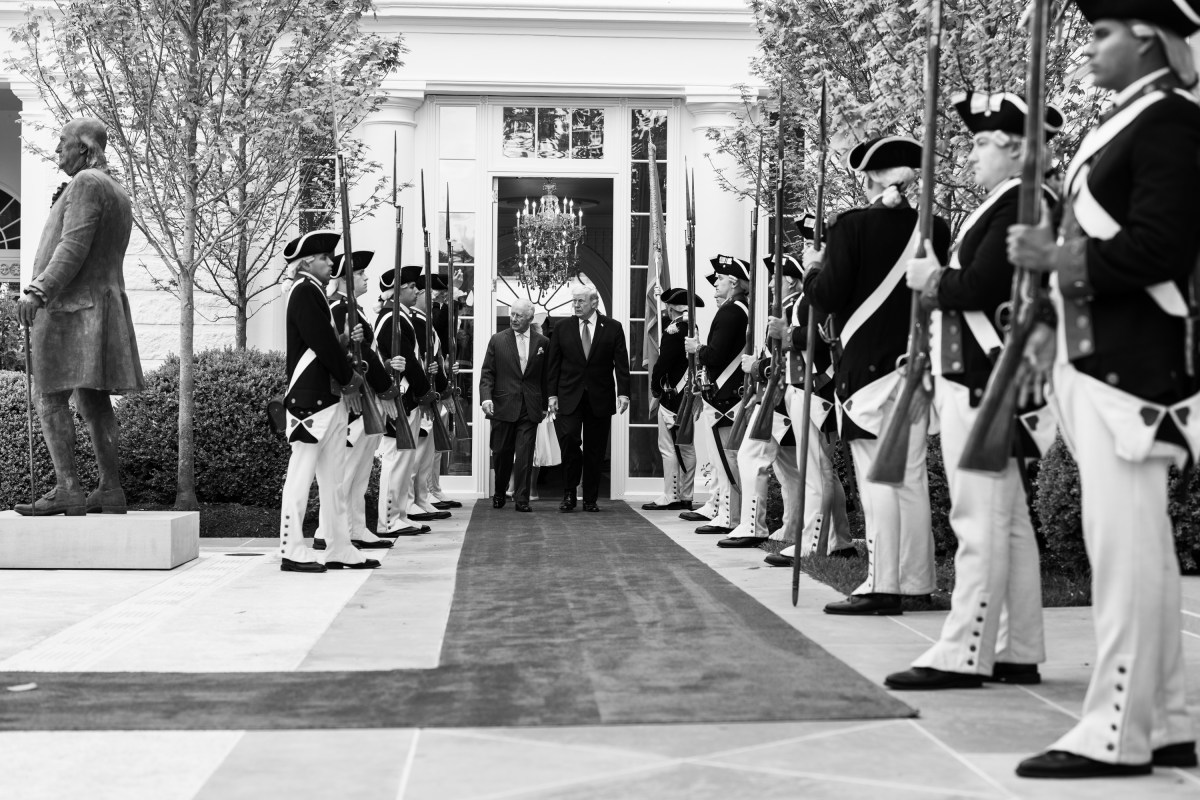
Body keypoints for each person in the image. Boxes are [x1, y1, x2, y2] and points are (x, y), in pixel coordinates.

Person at [1007, 0, 1200, 778]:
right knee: (1143, 557)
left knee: (1123, 559)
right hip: (1101, 360)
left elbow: (1160, 248)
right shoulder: (1127, 124)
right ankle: (1169, 718)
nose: (1088, 48)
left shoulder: (1171, 126)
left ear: (1148, 39)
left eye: (1101, 34)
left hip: (1135, 369)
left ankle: (1114, 729)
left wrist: (1053, 261)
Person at [884, 92, 1063, 692]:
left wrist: (933, 280)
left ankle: (964, 651)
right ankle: (1017, 647)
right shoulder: (1009, 200)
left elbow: (987, 286)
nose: (972, 153)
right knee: (1006, 521)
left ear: (1015, 150)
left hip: (986, 382)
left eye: (983, 142)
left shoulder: (1022, 200)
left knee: (980, 519)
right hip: (978, 373)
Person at [803, 136, 951, 615]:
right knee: (909, 480)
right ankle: (916, 581)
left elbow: (827, 296)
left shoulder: (851, 227)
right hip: (913, 368)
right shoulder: (936, 228)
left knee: (878, 480)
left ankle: (883, 582)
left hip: (867, 377)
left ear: (867, 177)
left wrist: (811, 272)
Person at [15, 117, 143, 517]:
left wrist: (39, 289)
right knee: (93, 400)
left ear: (85, 149)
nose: (56, 151)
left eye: (62, 143)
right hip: (100, 308)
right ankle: (110, 489)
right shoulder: (117, 191)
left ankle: (68, 488)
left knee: (49, 395)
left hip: (71, 309)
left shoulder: (87, 184)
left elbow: (73, 245)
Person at [725, 254, 854, 557]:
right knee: (817, 469)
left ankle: (809, 540)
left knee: (810, 469)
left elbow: (811, 347)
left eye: (776, 278)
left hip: (805, 392)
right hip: (795, 393)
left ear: (793, 281)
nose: (770, 284)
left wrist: (760, 365)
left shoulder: (802, 303)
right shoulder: (795, 304)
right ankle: (839, 541)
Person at [276, 230, 379, 573]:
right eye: (324, 258)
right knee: (301, 474)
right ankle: (292, 547)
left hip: (327, 397)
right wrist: (350, 378)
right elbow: (319, 343)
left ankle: (339, 546)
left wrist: (348, 341)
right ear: (306, 262)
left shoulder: (315, 292)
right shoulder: (305, 291)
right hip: (311, 399)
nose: (331, 263)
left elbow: (327, 343)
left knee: (334, 480)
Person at [314, 249, 401, 552]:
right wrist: (387, 388)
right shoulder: (339, 308)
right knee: (346, 471)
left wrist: (387, 376)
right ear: (344, 279)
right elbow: (351, 357)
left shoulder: (354, 307)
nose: (365, 278)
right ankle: (328, 531)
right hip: (355, 398)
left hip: (367, 394)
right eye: (360, 274)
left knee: (360, 470)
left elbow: (371, 355)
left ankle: (356, 527)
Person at [547, 284, 631, 512]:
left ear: (594, 303)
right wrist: (552, 394)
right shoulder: (562, 327)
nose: (575, 305)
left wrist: (623, 392)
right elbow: (553, 364)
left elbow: (621, 363)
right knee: (570, 442)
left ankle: (591, 498)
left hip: (600, 396)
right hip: (568, 396)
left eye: (580, 301)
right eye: (574, 301)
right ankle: (569, 494)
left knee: (595, 449)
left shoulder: (613, 328)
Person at [683, 256, 749, 535]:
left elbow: (716, 356)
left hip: (725, 396)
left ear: (733, 282)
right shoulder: (738, 309)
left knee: (727, 458)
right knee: (723, 457)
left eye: (720, 279)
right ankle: (724, 510)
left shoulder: (731, 311)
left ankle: (730, 517)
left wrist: (697, 348)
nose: (715, 284)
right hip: (726, 394)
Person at [374, 266, 434, 538]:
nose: (416, 291)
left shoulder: (399, 317)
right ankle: (388, 519)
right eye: (410, 287)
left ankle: (398, 515)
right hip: (400, 396)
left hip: (406, 396)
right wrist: (424, 392)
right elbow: (406, 359)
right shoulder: (391, 318)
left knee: (404, 459)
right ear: (397, 290)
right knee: (395, 458)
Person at [480, 299, 549, 511]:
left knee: (525, 454)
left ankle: (522, 499)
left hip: (530, 406)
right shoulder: (497, 340)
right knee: (501, 453)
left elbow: (546, 376)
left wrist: (546, 403)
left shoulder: (542, 343)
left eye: (519, 315)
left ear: (530, 318)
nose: (514, 319)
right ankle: (500, 492)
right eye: (512, 314)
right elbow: (487, 372)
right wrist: (486, 398)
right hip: (502, 405)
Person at [643, 288, 704, 511]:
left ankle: (671, 495)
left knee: (669, 447)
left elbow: (662, 365)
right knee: (686, 445)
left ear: (671, 308)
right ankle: (686, 495)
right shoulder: (693, 327)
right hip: (688, 394)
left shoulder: (674, 329)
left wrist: (655, 391)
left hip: (672, 396)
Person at [409, 273, 452, 523]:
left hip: (431, 387)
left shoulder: (424, 319)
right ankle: (413, 500)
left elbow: (436, 353)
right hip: (420, 391)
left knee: (428, 451)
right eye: (429, 293)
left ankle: (423, 497)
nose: (423, 295)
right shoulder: (415, 319)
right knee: (416, 452)